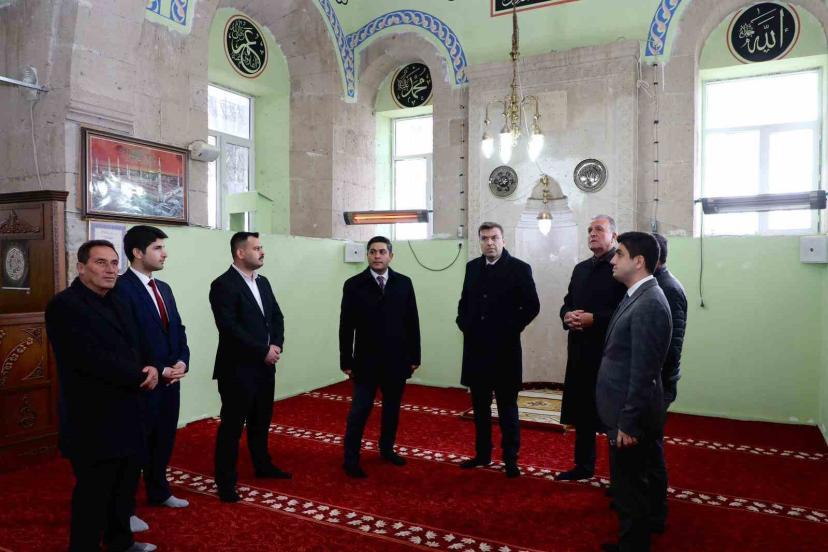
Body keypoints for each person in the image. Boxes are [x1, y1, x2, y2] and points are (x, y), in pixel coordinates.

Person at [46, 240, 158, 552]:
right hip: (92, 416)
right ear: (81, 267)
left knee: (124, 486)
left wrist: (151, 366)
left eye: (113, 263)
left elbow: (138, 342)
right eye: (100, 262)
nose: (110, 270)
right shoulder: (64, 305)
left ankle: (121, 542)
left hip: (129, 410)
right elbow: (87, 358)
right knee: (94, 492)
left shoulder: (118, 299)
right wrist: (138, 376)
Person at [597, 232, 672, 552]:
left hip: (631, 416)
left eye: (620, 254)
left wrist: (628, 422)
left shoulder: (649, 303)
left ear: (638, 261)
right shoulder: (636, 295)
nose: (613, 260)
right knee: (628, 486)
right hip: (623, 410)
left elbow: (644, 373)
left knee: (632, 489)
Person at [113, 225, 190, 515]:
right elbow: (128, 340)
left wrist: (182, 360)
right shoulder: (121, 289)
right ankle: (125, 510)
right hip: (143, 382)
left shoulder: (164, 288)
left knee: (163, 440)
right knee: (135, 446)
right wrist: (160, 368)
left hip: (170, 382)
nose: (164, 253)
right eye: (157, 248)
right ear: (137, 252)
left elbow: (178, 329)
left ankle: (159, 491)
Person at [209, 232, 290, 503]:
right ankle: (225, 481)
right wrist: (262, 351)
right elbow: (229, 328)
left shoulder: (263, 282)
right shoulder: (223, 284)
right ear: (240, 253)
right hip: (237, 368)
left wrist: (276, 345)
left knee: (261, 420)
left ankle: (262, 465)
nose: (262, 252)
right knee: (232, 426)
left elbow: (276, 317)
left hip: (265, 367)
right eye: (256, 248)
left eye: (261, 247)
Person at [456, 222, 539, 477]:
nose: (489, 243)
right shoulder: (472, 267)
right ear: (480, 241)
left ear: (503, 240)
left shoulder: (519, 268)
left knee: (507, 408)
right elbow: (464, 302)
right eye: (484, 238)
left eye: (494, 238)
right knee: (480, 407)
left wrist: (510, 328)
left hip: (505, 351)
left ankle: (510, 459)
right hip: (476, 349)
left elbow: (532, 306)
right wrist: (464, 324)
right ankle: (482, 454)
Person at [339, 236, 421, 478]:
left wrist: (415, 356)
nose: (377, 256)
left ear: (390, 256)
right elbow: (346, 326)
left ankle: (387, 449)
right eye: (373, 252)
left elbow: (412, 322)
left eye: (382, 252)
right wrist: (346, 359)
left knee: (392, 409)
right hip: (366, 361)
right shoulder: (354, 284)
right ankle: (350, 458)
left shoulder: (404, 283)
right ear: (367, 255)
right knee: (359, 411)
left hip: (397, 360)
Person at [557, 215, 626, 481]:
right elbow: (567, 302)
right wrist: (567, 315)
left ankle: (618, 478)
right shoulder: (581, 269)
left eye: (599, 229)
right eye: (589, 230)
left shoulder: (620, 268)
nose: (592, 233)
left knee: (611, 417)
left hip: (608, 353)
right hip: (580, 351)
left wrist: (594, 319)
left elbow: (625, 312)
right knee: (583, 412)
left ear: (614, 236)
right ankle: (583, 467)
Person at [648, 233, 688, 533]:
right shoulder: (654, 284)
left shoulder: (668, 289)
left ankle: (655, 514)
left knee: (650, 448)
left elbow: (671, 346)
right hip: (651, 381)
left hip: (658, 383)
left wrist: (653, 382)